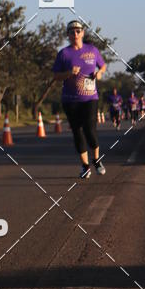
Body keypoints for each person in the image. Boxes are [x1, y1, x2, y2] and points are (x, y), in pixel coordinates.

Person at [52, 20, 107, 178]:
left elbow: (103, 66)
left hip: (90, 98)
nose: (75, 34)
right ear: (68, 35)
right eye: (72, 32)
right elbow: (56, 76)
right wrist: (69, 73)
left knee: (90, 129)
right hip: (70, 100)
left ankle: (96, 160)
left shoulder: (92, 50)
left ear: (82, 33)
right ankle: (85, 166)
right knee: (77, 131)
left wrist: (99, 73)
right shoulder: (64, 54)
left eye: (78, 31)